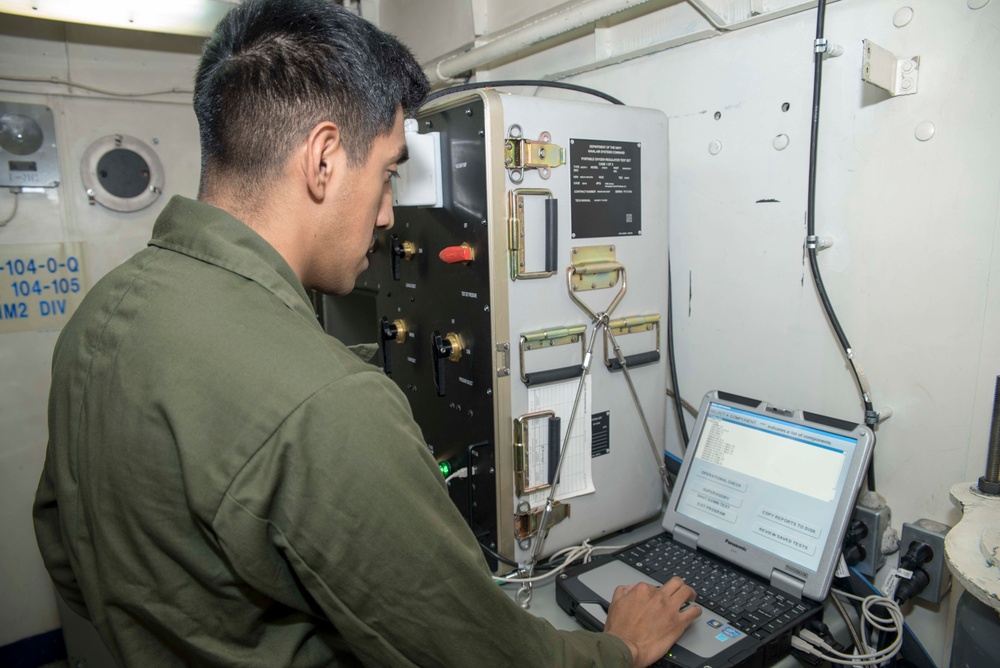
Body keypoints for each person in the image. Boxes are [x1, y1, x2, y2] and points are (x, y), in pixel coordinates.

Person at [32, 0, 700, 666]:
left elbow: (67, 556)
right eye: (386, 173)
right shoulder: (326, 401)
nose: (386, 215)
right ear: (323, 159)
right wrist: (620, 649)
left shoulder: (101, 316)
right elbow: (482, 655)